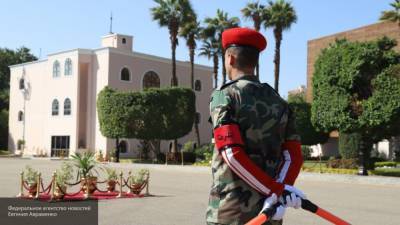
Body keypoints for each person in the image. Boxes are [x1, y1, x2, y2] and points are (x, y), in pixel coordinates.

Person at [206, 27, 305, 225]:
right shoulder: (279, 101)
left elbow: (231, 153)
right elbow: (293, 156)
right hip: (269, 212)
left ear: (230, 59)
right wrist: (278, 192)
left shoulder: (225, 95)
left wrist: (273, 190)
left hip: (232, 212)